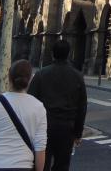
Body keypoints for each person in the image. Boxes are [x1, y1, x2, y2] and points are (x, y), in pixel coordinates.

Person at [28, 39, 88, 171]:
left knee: (40, 164)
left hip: (44, 127)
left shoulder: (41, 74)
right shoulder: (77, 76)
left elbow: (30, 101)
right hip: (67, 128)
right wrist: (78, 133)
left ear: (52, 54)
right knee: (62, 165)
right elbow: (82, 107)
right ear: (69, 54)